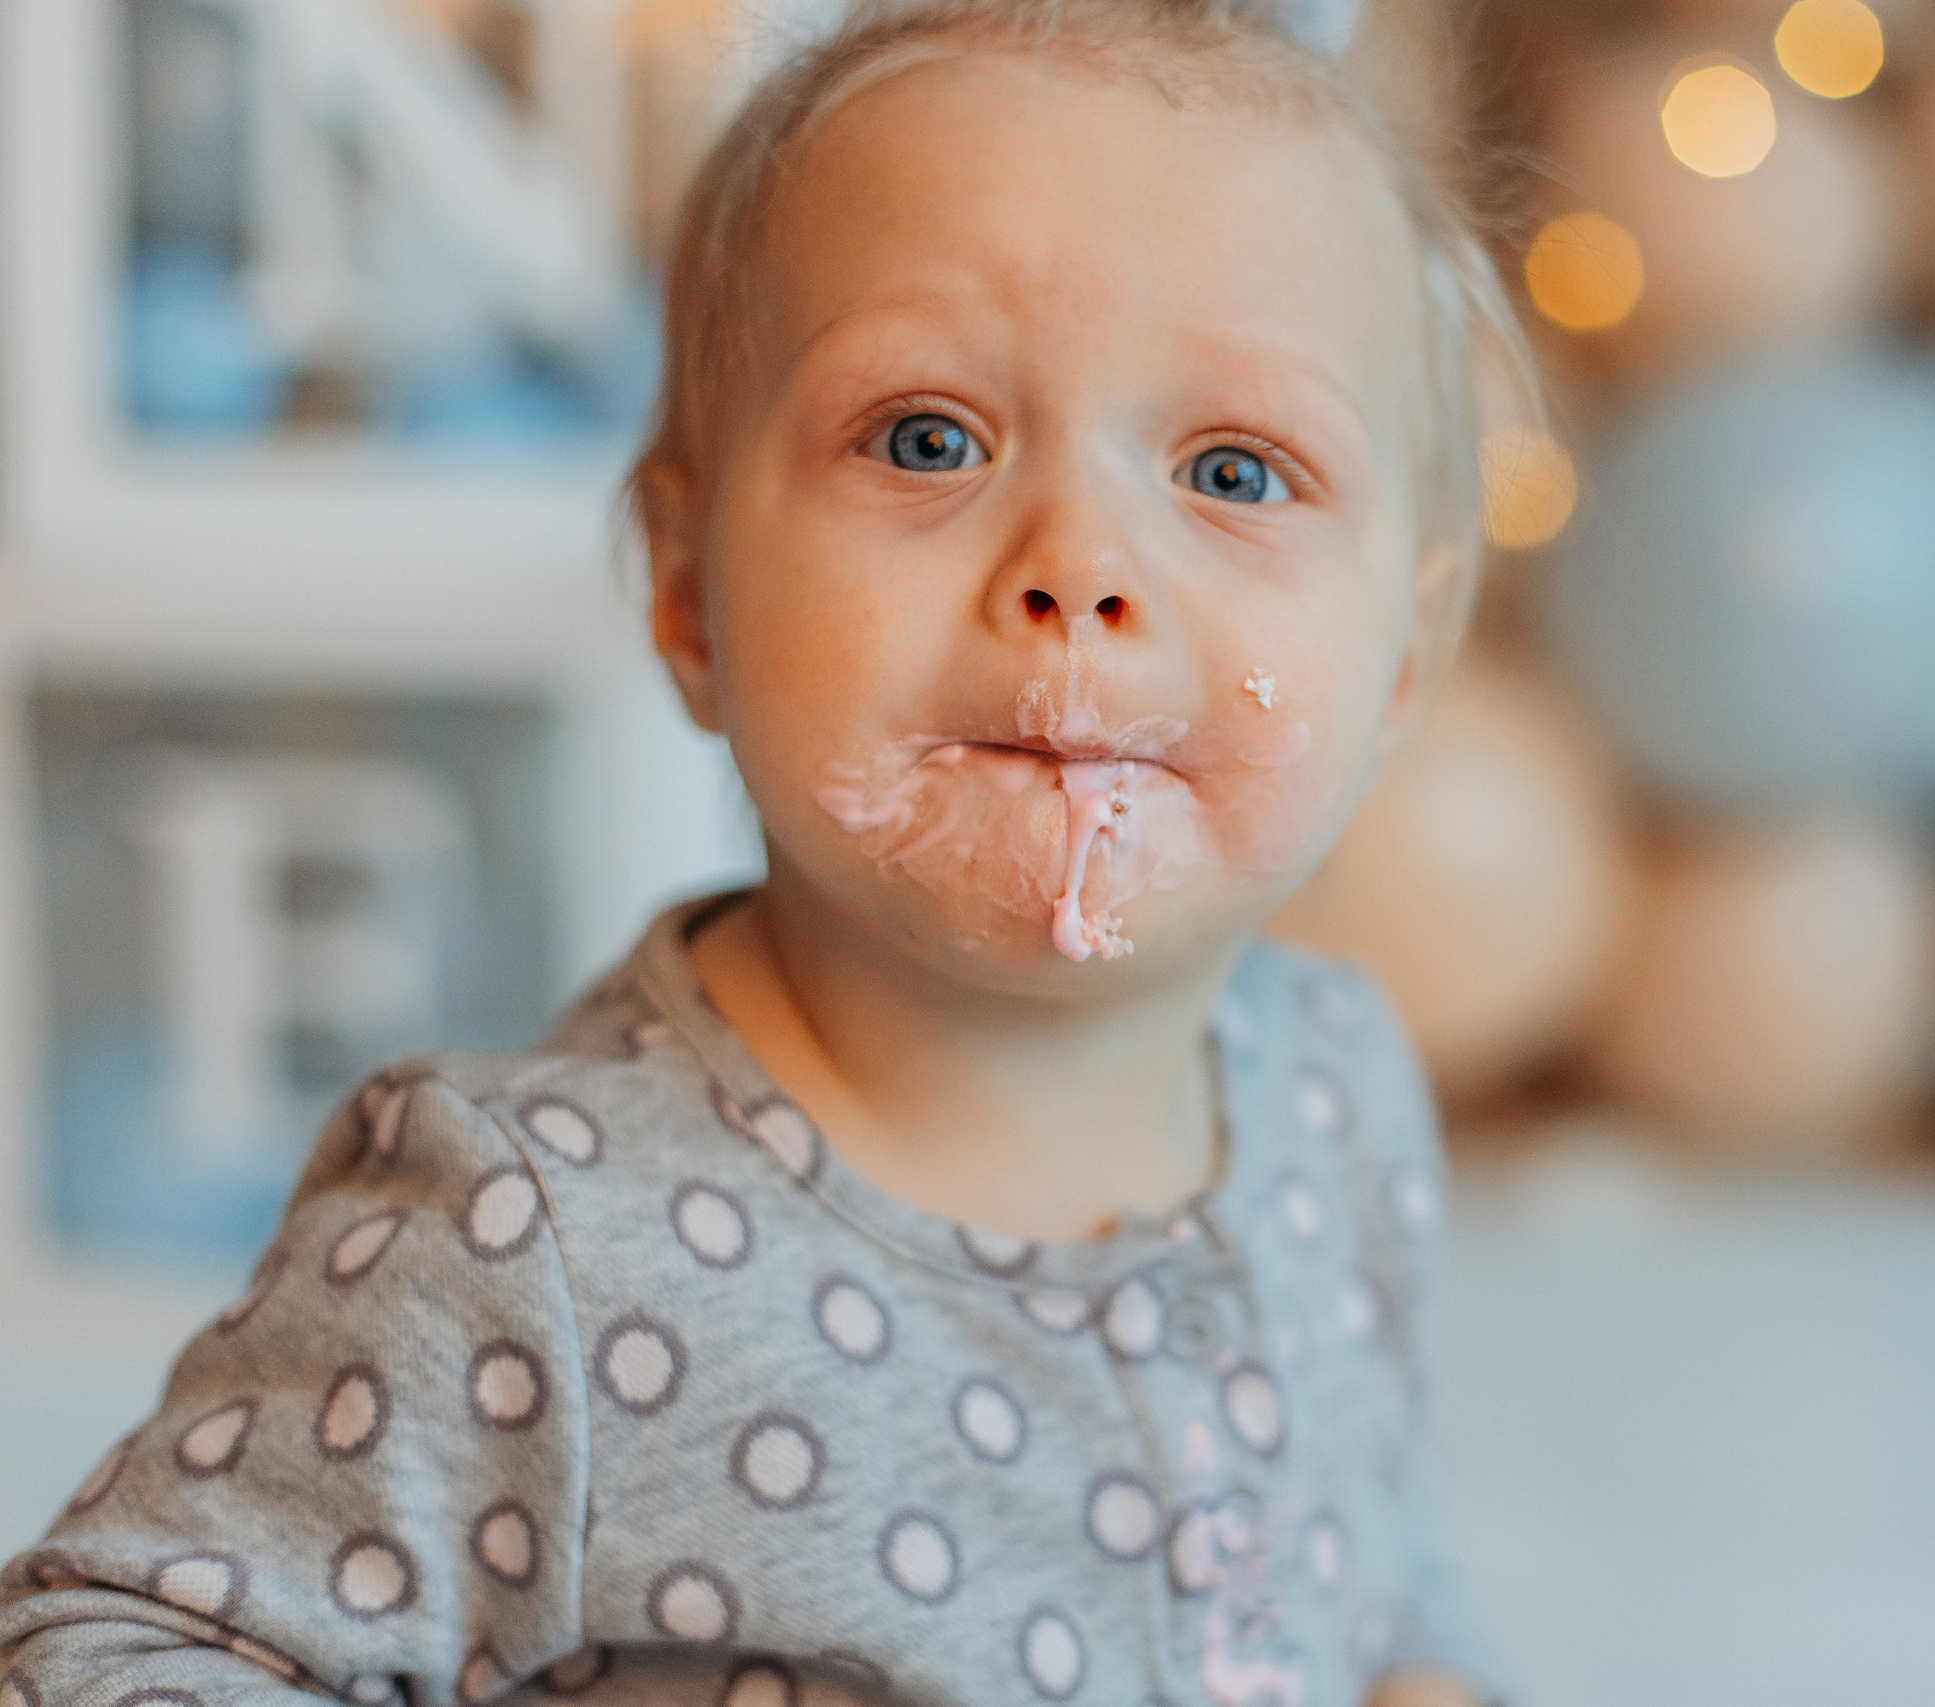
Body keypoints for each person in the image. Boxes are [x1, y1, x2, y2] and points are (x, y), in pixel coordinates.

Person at [0, 2, 1531, 1702]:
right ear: (687, 592)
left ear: (1404, 660)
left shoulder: (1339, 1096)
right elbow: (114, 1646)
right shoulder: (533, 1242)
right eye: (928, 438)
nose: (1083, 566)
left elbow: (1382, 1579)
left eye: (1236, 468)